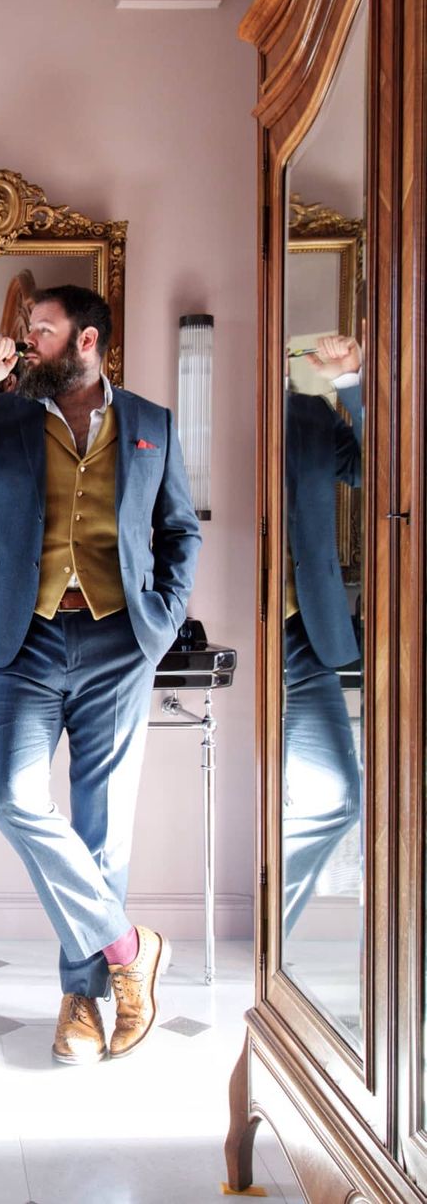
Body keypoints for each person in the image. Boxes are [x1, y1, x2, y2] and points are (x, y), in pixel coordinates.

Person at [0, 284, 201, 1065]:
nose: (26, 340)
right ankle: (131, 947)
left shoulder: (151, 425)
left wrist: (159, 623)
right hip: (21, 641)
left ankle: (82, 1002)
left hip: (117, 645)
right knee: (11, 795)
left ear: (87, 340)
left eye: (42, 330)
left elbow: (178, 530)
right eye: (26, 330)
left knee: (103, 830)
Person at [283, 333, 363, 933]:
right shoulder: (182, 401)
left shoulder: (312, 412)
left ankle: (270, 931)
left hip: (307, 634)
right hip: (224, 626)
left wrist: (351, 385)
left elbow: (385, 469)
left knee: (338, 796)